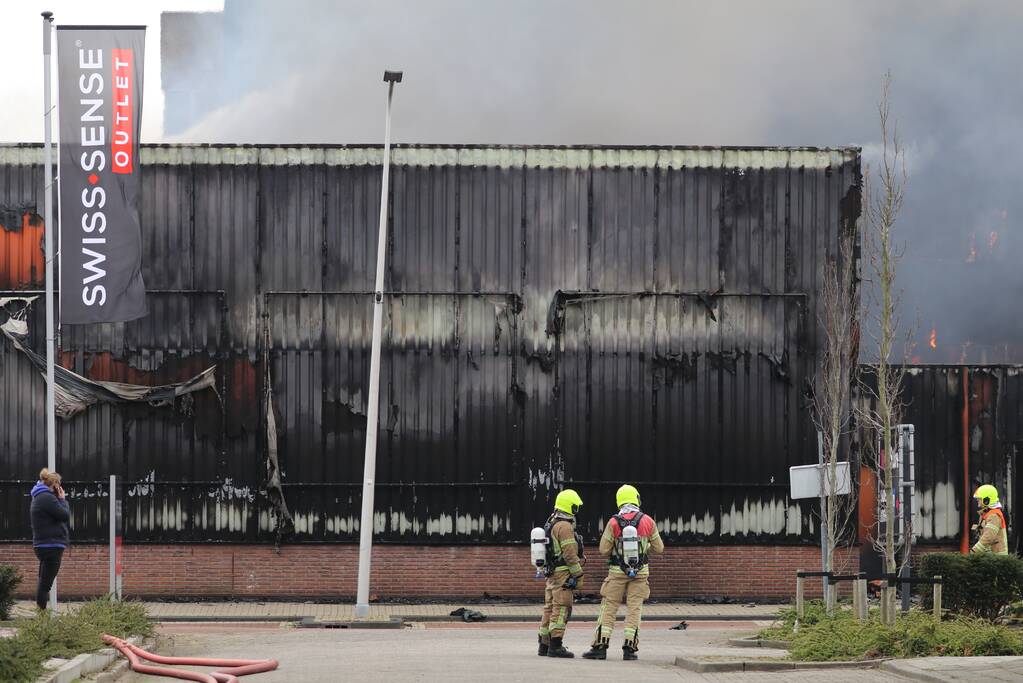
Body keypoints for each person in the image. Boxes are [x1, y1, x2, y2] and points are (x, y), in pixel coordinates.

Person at [582, 484, 664, 661]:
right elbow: (659, 548)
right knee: (635, 609)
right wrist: (645, 546)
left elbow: (603, 549)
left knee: (609, 607)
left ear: (619, 501)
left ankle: (600, 647)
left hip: (617, 572)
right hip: (641, 572)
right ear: (636, 499)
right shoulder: (648, 521)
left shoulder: (613, 522)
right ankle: (629, 649)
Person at [537, 488, 585, 658]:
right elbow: (570, 554)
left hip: (551, 572)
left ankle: (544, 645)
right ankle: (555, 646)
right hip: (563, 573)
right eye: (575, 506)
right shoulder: (564, 526)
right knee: (562, 607)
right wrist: (578, 574)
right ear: (570, 506)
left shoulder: (551, 521)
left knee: (549, 607)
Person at [30, 468, 69, 610]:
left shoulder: (40, 496)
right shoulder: (47, 498)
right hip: (51, 545)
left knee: (43, 582)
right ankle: (42, 619)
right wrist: (62, 499)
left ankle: (42, 617)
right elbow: (64, 515)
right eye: (58, 486)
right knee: (45, 584)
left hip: (44, 544)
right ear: (54, 485)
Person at [971, 484, 1008, 555]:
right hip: (991, 557)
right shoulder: (987, 513)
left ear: (986, 500)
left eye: (979, 499)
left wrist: (974, 551)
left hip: (996, 559)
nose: (977, 501)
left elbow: (988, 537)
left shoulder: (994, 515)